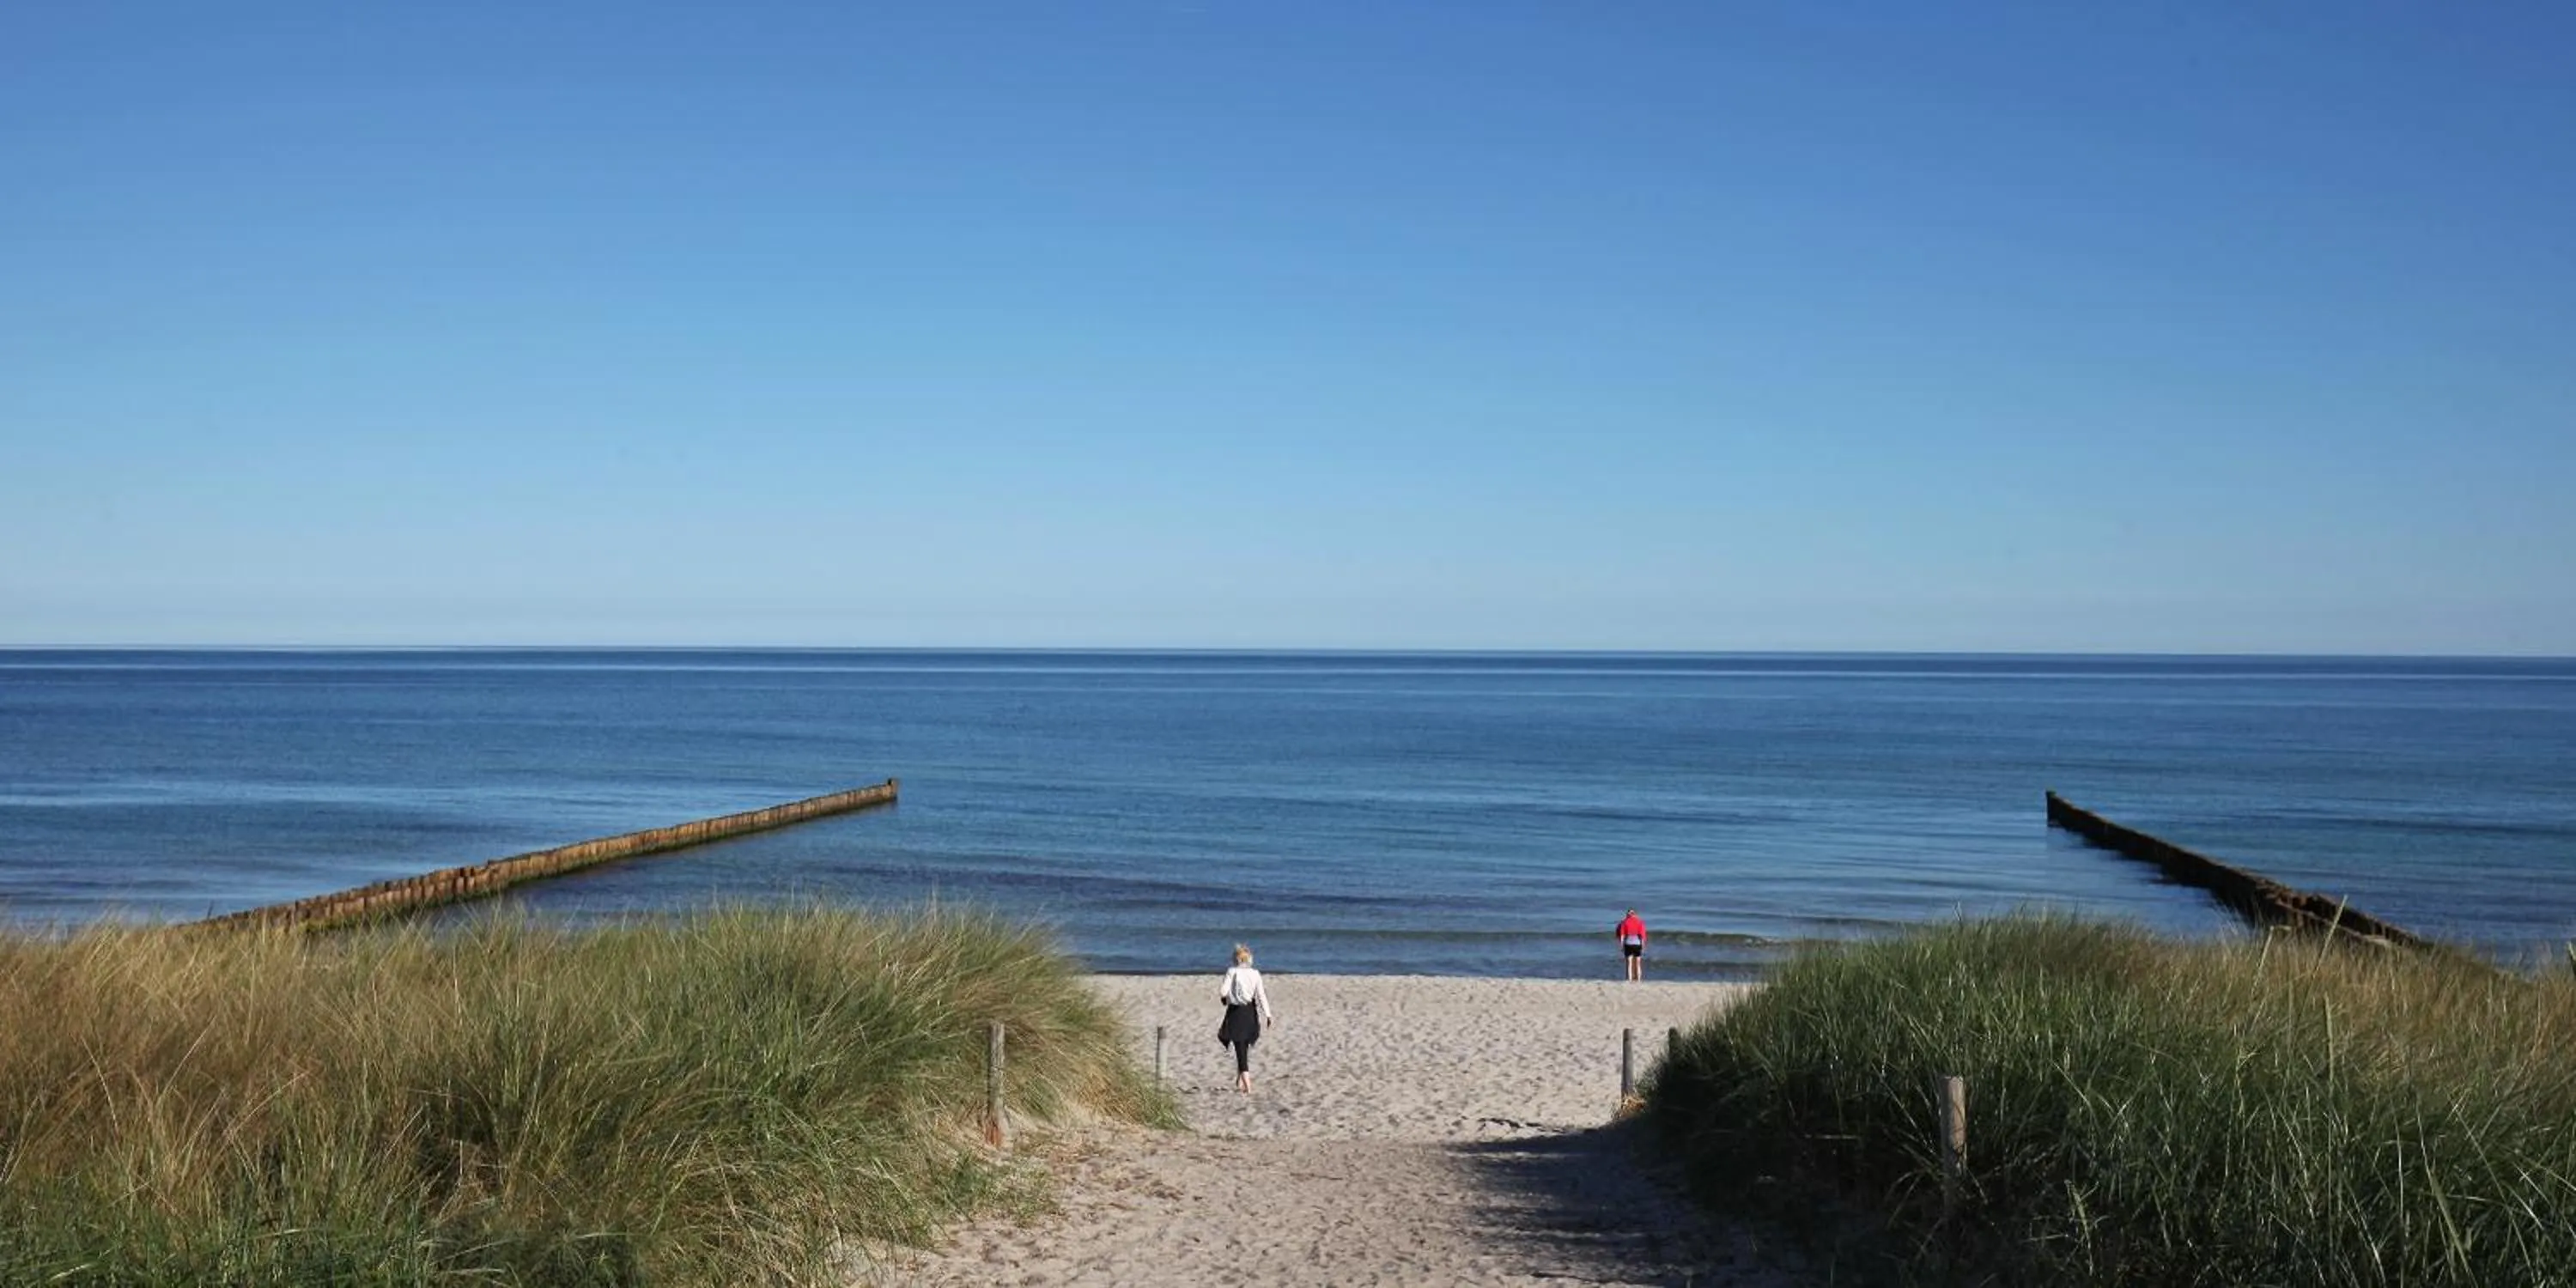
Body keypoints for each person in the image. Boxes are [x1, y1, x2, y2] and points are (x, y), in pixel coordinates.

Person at [1216, 943, 1276, 1093]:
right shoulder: (1255, 973)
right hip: (1250, 1012)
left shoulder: (1232, 971)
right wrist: (1268, 1014)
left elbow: (1223, 992)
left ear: (1236, 959)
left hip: (1236, 1012)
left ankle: (1248, 1087)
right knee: (1243, 1047)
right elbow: (1261, 996)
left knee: (1240, 1049)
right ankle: (1240, 1081)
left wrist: (1228, 998)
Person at [1615, 908, 1647, 981]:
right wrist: (1643, 946)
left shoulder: (1624, 922)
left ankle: (1629, 980)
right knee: (1638, 963)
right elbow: (1642, 936)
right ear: (1635, 914)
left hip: (1628, 943)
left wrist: (1622, 945)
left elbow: (1622, 935)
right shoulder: (1640, 922)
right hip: (1637, 944)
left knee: (1629, 963)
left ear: (1627, 915)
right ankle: (1638, 980)